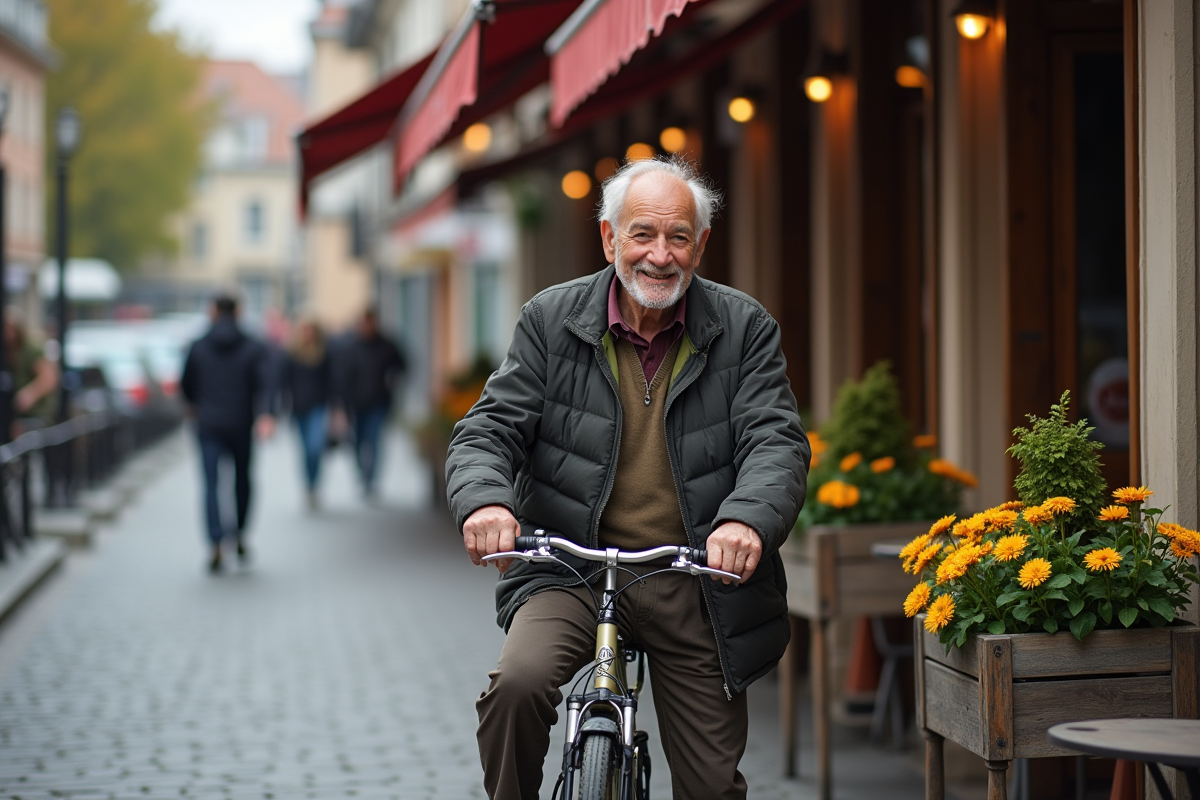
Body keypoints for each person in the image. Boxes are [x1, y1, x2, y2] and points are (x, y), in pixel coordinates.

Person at [446, 156, 810, 800]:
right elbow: (489, 428)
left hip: (695, 579)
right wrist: (486, 505)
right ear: (610, 238)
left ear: (700, 246)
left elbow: (774, 440)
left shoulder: (744, 328)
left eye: (677, 238)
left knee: (711, 785)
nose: (659, 255)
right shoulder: (550, 321)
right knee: (517, 688)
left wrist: (744, 519)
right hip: (570, 570)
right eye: (642, 234)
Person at [180, 294, 275, 572]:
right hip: (241, 424)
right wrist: (266, 414)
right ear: (238, 312)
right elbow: (265, 383)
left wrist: (196, 405)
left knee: (210, 484)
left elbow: (187, 384)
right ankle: (240, 533)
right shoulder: (252, 346)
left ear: (213, 312)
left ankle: (215, 542)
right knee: (242, 480)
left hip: (208, 424)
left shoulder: (198, 346)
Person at [335, 309, 405, 497]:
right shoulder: (350, 348)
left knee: (374, 439)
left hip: (379, 402)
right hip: (355, 405)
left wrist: (393, 381)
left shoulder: (386, 345)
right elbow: (342, 378)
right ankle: (361, 471)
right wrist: (342, 405)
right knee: (357, 440)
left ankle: (370, 478)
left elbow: (402, 365)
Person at [281, 318, 333, 510]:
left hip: (318, 407)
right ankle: (309, 487)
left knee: (315, 447)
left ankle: (314, 483)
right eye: (305, 329)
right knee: (304, 450)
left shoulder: (324, 353)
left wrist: (336, 408)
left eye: (311, 329)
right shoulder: (291, 354)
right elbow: (283, 381)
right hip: (298, 408)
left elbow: (331, 380)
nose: (308, 333)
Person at [3, 307, 59, 435]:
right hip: (14, 414)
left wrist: (29, 394)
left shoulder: (30, 349)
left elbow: (49, 378)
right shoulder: (7, 351)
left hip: (35, 415)